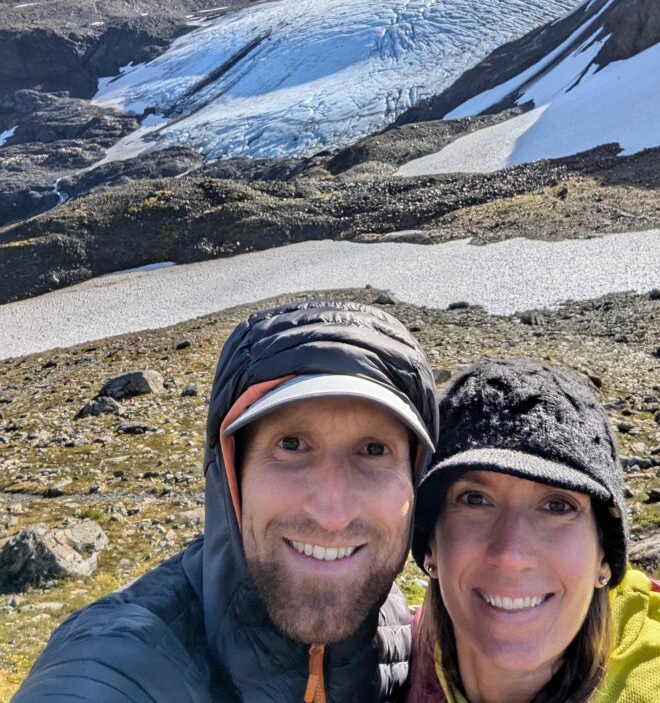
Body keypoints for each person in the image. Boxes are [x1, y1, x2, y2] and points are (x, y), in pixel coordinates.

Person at [14, 299, 439, 703]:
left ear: (414, 478)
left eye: (374, 450)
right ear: (230, 475)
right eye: (291, 444)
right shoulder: (119, 659)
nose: (332, 514)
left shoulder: (402, 631)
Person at [406, 359, 660, 703]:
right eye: (475, 499)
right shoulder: (386, 666)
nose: (511, 554)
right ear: (431, 544)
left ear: (604, 556)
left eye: (557, 506)